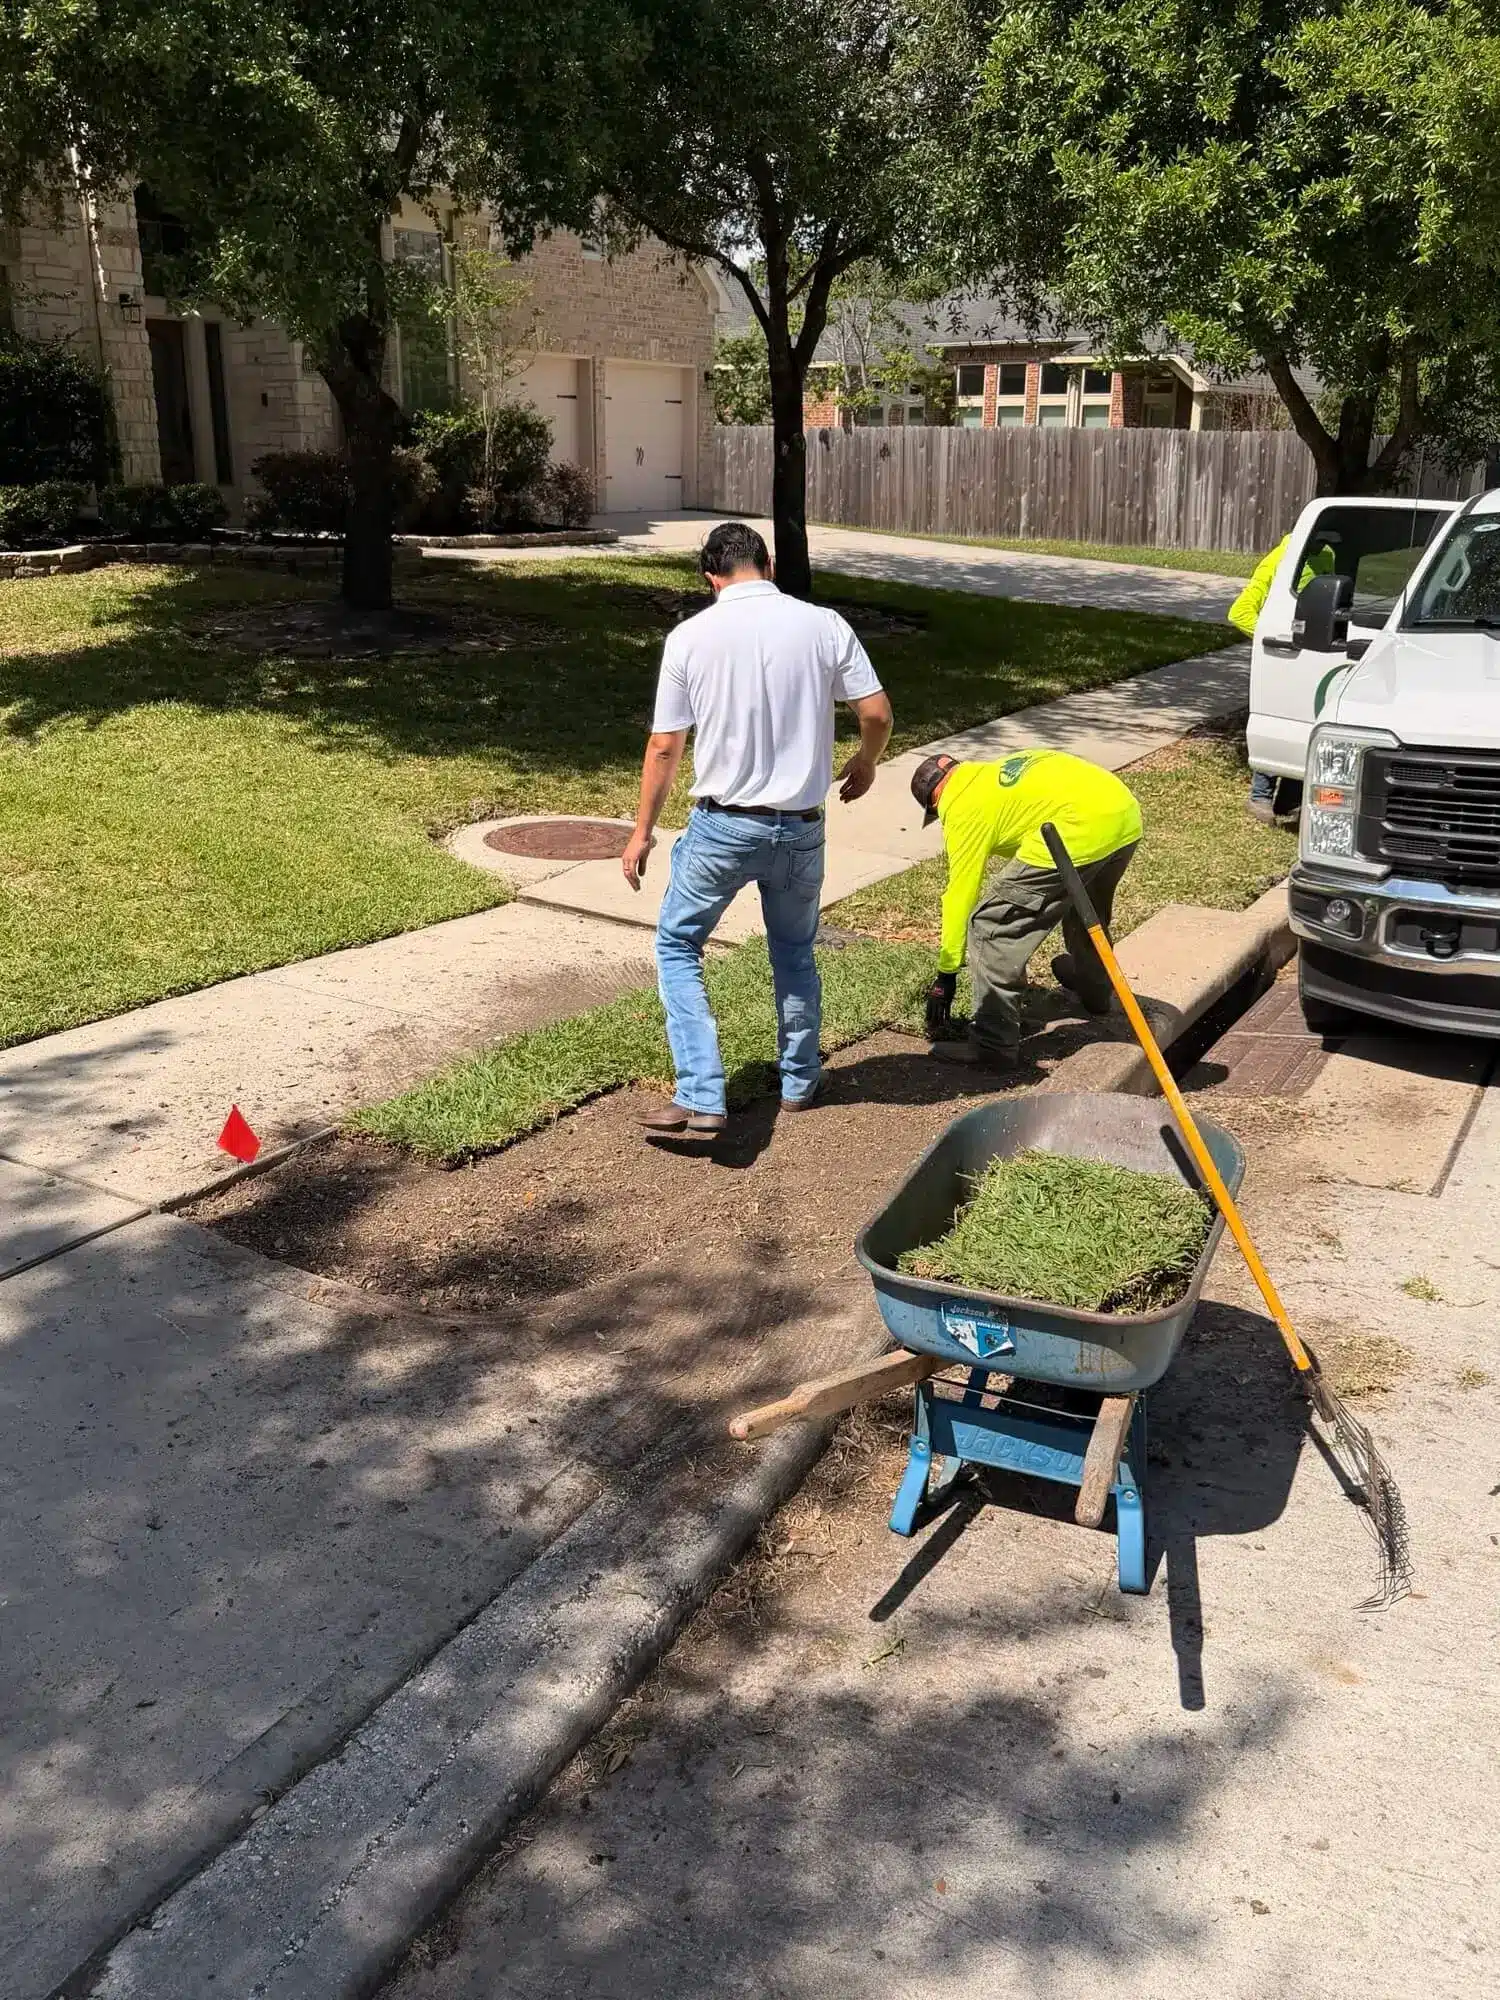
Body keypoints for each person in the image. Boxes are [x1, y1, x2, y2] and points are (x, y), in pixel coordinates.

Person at [623, 521, 894, 1137]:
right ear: (768, 566)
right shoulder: (824, 624)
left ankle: (700, 1093)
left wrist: (641, 831)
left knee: (676, 946)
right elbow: (876, 712)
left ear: (710, 577)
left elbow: (665, 746)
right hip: (801, 829)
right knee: (795, 952)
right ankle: (800, 1081)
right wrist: (866, 760)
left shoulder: (691, 637)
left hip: (722, 830)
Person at [913, 747, 1142, 1071]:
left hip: (1077, 828)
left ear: (934, 799)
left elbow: (960, 895)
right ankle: (1094, 988)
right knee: (1085, 910)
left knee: (989, 927)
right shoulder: (994, 773)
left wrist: (946, 974)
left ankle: (992, 1045)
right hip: (1123, 813)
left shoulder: (961, 808)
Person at [1229, 531, 1336, 822]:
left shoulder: (1328, 556)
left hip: (1314, 653)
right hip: (1283, 656)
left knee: (1305, 722)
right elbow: (1239, 613)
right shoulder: (1280, 558)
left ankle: (1288, 801)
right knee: (1279, 720)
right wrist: (1275, 640)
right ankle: (1259, 798)